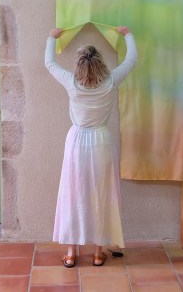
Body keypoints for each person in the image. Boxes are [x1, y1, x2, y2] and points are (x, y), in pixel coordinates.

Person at [45, 25, 137, 267]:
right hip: (101, 142)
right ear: (100, 64)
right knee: (101, 194)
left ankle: (71, 253)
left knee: (73, 194)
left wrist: (52, 38)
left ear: (79, 65)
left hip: (76, 142)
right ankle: (97, 253)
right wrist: (127, 34)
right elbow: (131, 59)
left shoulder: (71, 82)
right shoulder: (111, 81)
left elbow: (49, 63)